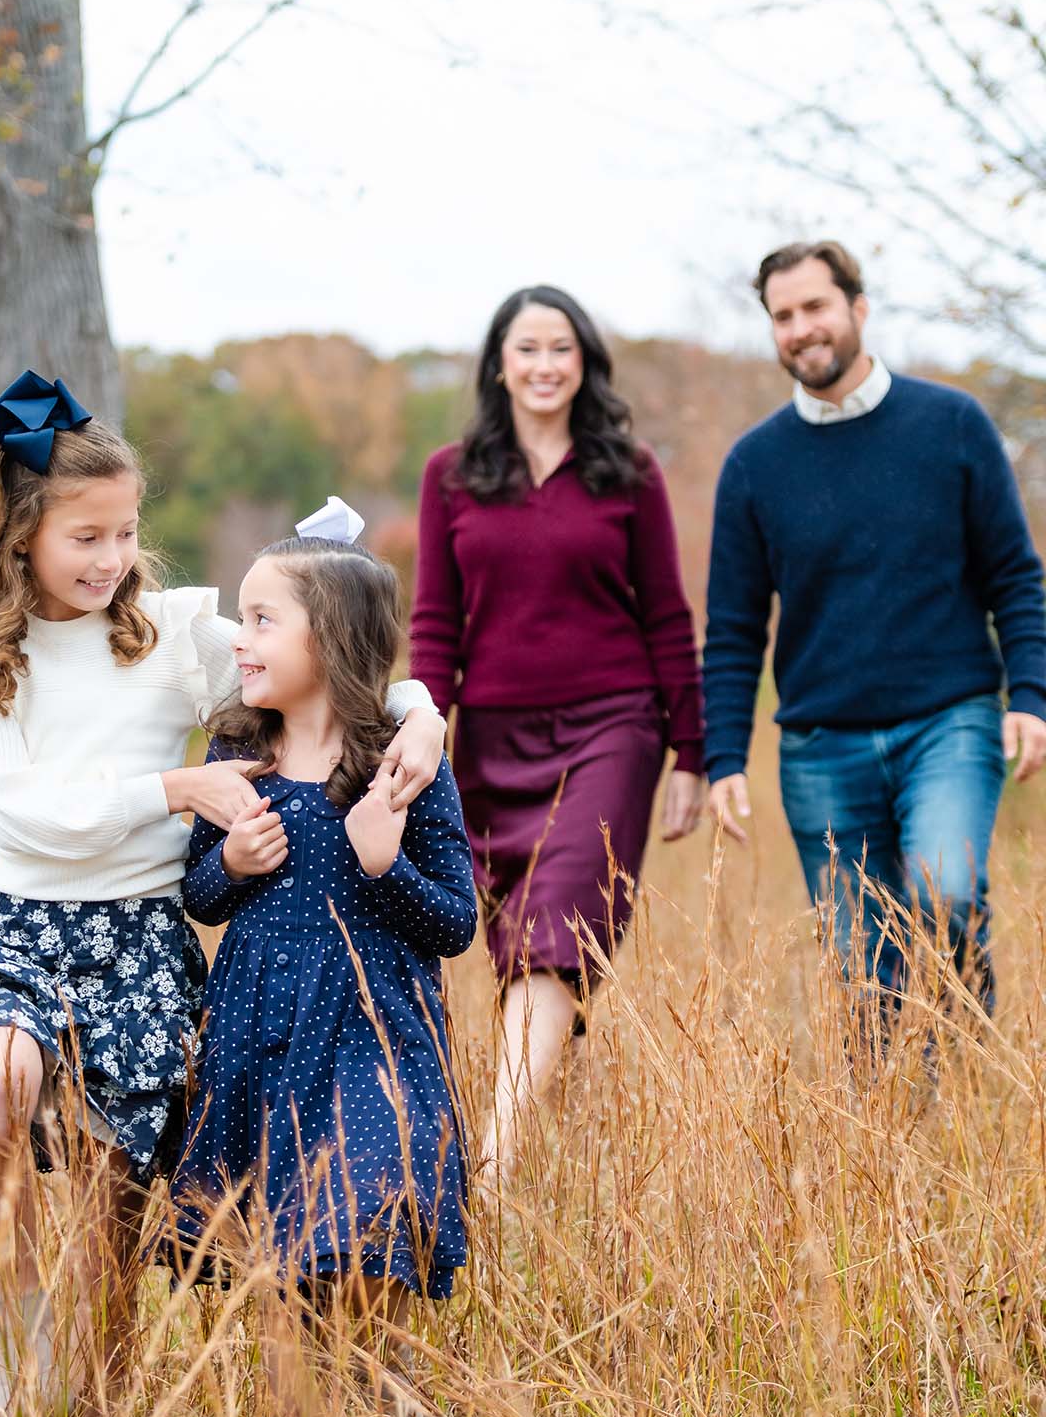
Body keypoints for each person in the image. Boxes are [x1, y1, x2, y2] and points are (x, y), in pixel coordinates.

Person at [0, 371, 445, 1417]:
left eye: (126, 533)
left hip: (141, 940)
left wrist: (421, 714)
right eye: (85, 537)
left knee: (115, 1202)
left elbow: (320, 665)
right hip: (25, 925)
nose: (111, 559)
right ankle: (15, 1304)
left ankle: (95, 1395)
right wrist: (177, 788)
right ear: (20, 535)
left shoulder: (166, 633)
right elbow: (22, 814)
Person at [704, 240, 1046, 1037]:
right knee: (862, 972)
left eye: (815, 306)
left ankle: (967, 1061)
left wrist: (1029, 694)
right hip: (821, 746)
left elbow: (1014, 576)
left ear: (858, 307)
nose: (801, 328)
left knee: (944, 893)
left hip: (949, 720)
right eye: (783, 315)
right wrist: (724, 756)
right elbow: (734, 630)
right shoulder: (754, 464)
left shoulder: (952, 424)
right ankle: (897, 1103)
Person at [409, 285, 704, 1179]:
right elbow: (436, 622)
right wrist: (423, 728)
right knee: (524, 948)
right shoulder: (451, 476)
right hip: (492, 747)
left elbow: (666, 615)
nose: (545, 365)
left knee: (561, 924)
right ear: (499, 364)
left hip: (613, 728)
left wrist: (692, 752)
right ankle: (556, 1147)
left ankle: (492, 1168)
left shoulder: (630, 472)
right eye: (528, 348)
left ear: (586, 364)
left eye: (562, 348)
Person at [165, 513, 477, 1345]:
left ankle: (377, 1409)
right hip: (261, 1031)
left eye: (263, 620)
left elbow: (456, 923)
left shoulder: (402, 761)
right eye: (242, 618)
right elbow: (201, 898)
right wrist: (232, 863)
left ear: (330, 635)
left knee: (371, 1216)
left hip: (375, 1028)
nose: (240, 639)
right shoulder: (235, 749)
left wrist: (386, 864)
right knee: (282, 1262)